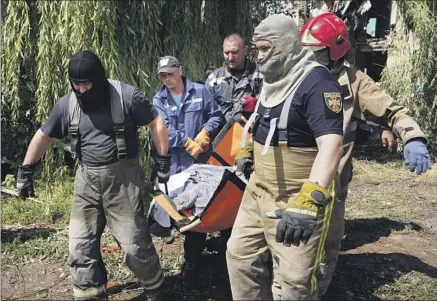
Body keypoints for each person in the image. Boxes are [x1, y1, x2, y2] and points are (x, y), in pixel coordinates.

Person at [15, 50, 170, 301]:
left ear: (99, 78)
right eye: (76, 84)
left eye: (87, 84)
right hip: (86, 180)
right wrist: (25, 170)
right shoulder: (67, 105)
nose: (82, 90)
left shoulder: (127, 96)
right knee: (80, 246)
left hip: (123, 181)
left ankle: (157, 290)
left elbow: (156, 122)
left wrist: (163, 161)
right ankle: (91, 295)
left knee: (134, 247)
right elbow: (44, 135)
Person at [300, 12, 432, 296]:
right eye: (305, 52)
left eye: (316, 53)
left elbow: (392, 110)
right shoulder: (293, 79)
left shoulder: (355, 83)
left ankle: (318, 291)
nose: (309, 59)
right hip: (293, 178)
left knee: (326, 247)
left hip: (331, 184)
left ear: (334, 51)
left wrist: (412, 136)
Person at [226, 14, 345, 300]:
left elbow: (332, 145)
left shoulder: (317, 82)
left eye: (266, 48)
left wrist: (309, 199)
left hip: (298, 193)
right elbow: (264, 122)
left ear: (288, 44)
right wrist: (248, 149)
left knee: (295, 280)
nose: (260, 56)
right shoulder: (274, 78)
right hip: (259, 188)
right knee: (239, 257)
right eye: (257, 50)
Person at [152, 56, 225, 284]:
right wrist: (186, 142)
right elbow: (161, 130)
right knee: (182, 214)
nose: (167, 80)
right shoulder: (159, 99)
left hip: (202, 165)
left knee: (203, 211)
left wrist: (206, 132)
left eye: (170, 74)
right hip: (176, 166)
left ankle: (203, 257)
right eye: (162, 76)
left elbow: (216, 115)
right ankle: (191, 258)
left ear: (180, 70)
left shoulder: (200, 91)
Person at [206, 33, 263, 121]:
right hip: (222, 132)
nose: (230, 57)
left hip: (251, 130)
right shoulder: (213, 79)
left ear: (245, 50)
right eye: (226, 53)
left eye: (234, 52)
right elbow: (206, 112)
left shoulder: (260, 74)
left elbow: (272, 106)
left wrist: (256, 104)